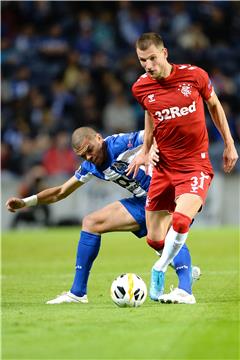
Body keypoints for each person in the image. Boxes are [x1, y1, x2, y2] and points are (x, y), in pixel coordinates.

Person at [6, 127, 200, 305]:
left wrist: (152, 149)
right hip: (142, 200)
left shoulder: (119, 143)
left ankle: (185, 289)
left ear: (99, 138)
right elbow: (61, 192)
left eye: (90, 150)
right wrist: (26, 202)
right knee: (91, 222)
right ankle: (78, 293)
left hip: (167, 193)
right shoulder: (91, 165)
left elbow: (155, 131)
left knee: (165, 239)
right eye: (83, 155)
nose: (89, 157)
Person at [127, 32, 238, 304]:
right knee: (154, 238)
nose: (148, 65)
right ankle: (185, 270)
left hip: (194, 166)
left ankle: (169, 277)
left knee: (179, 220)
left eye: (152, 58)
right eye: (143, 60)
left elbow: (215, 107)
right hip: (164, 168)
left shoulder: (194, 76)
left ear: (164, 53)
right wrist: (145, 150)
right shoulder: (140, 88)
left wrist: (229, 143)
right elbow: (151, 114)